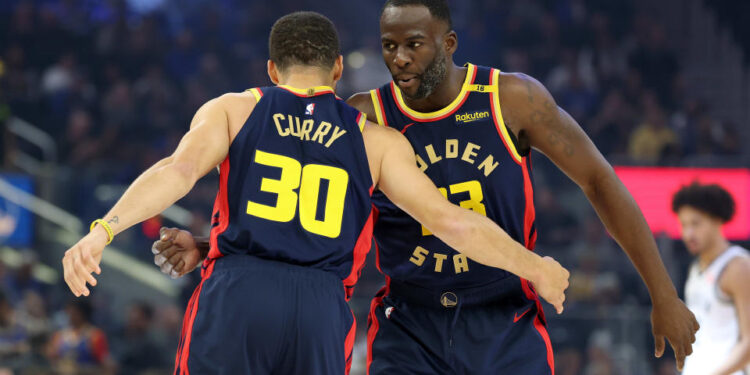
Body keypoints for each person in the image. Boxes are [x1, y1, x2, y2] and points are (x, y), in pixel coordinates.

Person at [152, 1, 698, 373]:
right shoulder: (365, 117)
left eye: (414, 44)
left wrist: (663, 292)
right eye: (389, 46)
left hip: (502, 313)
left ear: (449, 42)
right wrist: (211, 248)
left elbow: (600, 181)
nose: (399, 58)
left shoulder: (511, 100)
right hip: (407, 321)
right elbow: (305, 196)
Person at [62, 11, 569, 375]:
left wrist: (103, 230)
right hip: (322, 305)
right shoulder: (377, 140)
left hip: (239, 290)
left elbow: (177, 171)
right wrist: (535, 266)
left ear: (271, 70)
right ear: (337, 70)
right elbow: (451, 222)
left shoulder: (235, 109)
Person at [673, 183, 750, 375]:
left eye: (695, 224)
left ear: (717, 220)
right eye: (684, 225)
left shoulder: (738, 267)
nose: (688, 233)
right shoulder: (695, 269)